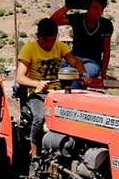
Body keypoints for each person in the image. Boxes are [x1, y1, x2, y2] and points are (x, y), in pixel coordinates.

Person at [16, 18, 90, 160]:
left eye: (52, 40)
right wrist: (36, 84)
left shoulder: (60, 47)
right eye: (46, 41)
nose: (50, 44)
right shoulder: (29, 49)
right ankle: (35, 157)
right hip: (37, 94)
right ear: (38, 37)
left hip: (58, 92)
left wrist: (84, 74)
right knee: (41, 117)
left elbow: (75, 62)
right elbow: (20, 77)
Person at [50, 0, 113, 81]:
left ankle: (69, 94)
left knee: (79, 78)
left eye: (101, 9)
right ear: (88, 6)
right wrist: (68, 6)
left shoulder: (106, 24)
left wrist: (103, 73)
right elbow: (53, 21)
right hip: (73, 59)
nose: (99, 12)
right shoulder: (78, 18)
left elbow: (106, 49)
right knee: (53, 70)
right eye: (96, 8)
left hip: (92, 62)